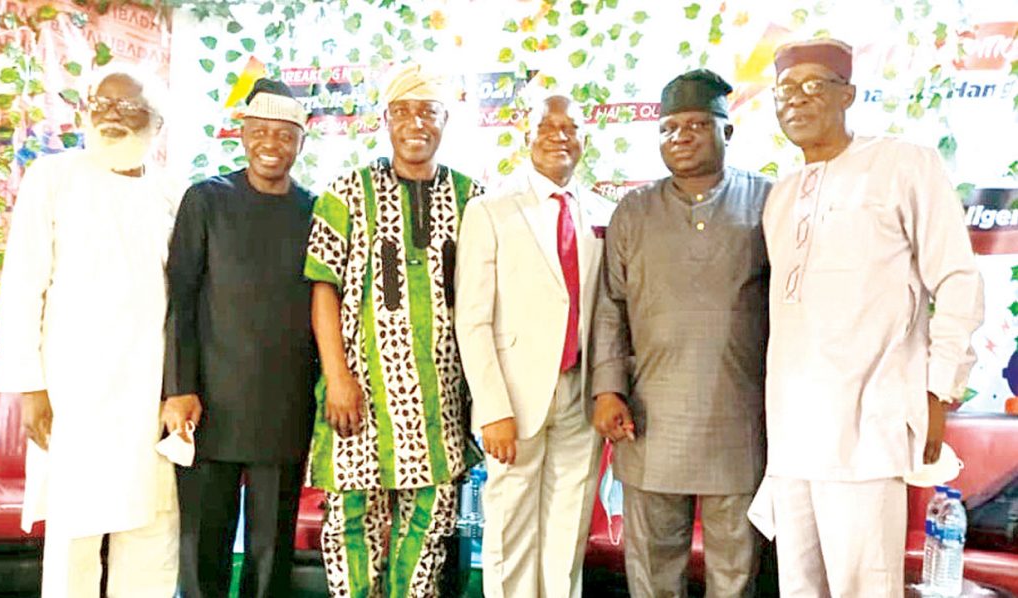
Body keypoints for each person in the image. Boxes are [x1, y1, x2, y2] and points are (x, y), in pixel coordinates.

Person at [749, 38, 984, 596]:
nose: (795, 100)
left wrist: (938, 390)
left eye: (813, 85)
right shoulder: (781, 196)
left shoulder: (903, 164)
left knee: (865, 587)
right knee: (798, 587)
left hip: (867, 428)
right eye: (784, 90)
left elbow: (957, 279)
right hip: (792, 437)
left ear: (848, 94)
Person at [0, 66, 180, 597]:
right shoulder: (53, 177)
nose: (110, 115)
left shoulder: (172, 191)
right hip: (74, 392)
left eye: (127, 107)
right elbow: (22, 286)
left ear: (156, 123)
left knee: (152, 524)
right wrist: (31, 388)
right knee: (75, 531)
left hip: (148, 391)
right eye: (101, 103)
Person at [304, 63, 484, 597]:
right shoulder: (346, 193)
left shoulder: (473, 198)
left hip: (440, 403)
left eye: (428, 112)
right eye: (402, 112)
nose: (415, 123)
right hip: (360, 395)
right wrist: (337, 377)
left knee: (428, 534)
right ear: (385, 121)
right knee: (350, 529)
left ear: (446, 121)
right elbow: (322, 289)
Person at [591, 69, 772, 598]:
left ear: (727, 132)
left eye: (696, 125)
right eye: (669, 128)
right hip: (650, 419)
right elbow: (611, 307)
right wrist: (607, 390)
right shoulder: (633, 211)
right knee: (652, 569)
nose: (681, 137)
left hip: (739, 419)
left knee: (735, 573)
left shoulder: (767, 202)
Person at [162, 78, 316, 598]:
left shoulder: (314, 209)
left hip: (285, 402)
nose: (271, 143)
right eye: (260, 132)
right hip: (209, 402)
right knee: (202, 543)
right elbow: (181, 298)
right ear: (243, 135)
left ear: (301, 142)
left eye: (284, 134)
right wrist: (179, 387)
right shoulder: (207, 199)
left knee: (271, 551)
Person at [455, 94, 614, 597]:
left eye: (570, 127)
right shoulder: (490, 210)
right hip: (515, 400)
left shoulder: (601, 213)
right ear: (527, 136)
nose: (559, 136)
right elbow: (473, 319)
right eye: (547, 126)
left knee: (568, 533)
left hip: (580, 394)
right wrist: (492, 409)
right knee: (511, 530)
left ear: (584, 139)